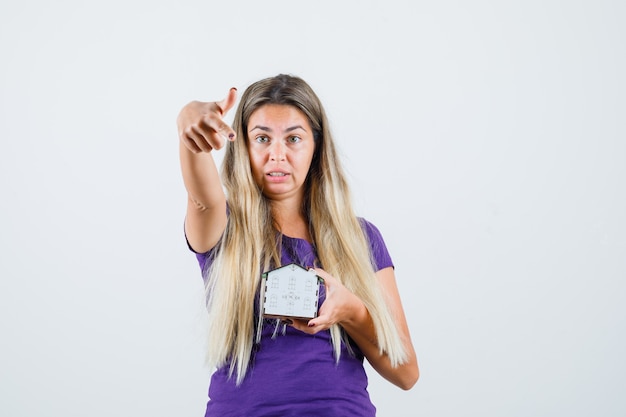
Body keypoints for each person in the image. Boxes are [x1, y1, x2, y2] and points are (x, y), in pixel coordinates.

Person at [177, 74, 418, 416]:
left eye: (293, 139)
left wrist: (353, 312)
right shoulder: (225, 226)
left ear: (316, 146)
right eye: (262, 138)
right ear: (243, 145)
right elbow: (203, 199)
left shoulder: (361, 238)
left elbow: (406, 373)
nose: (277, 154)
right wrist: (188, 123)